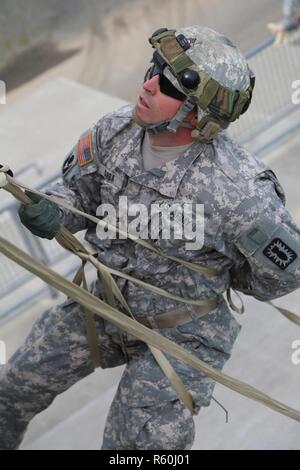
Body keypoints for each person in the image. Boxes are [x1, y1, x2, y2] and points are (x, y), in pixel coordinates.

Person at [1, 25, 300, 451]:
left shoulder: (240, 192)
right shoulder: (115, 131)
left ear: (196, 116)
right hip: (104, 304)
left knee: (138, 449)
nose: (147, 85)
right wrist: (53, 210)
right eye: (153, 69)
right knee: (11, 391)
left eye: (166, 85)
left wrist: (220, 280)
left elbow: (285, 274)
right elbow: (80, 193)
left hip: (182, 332)